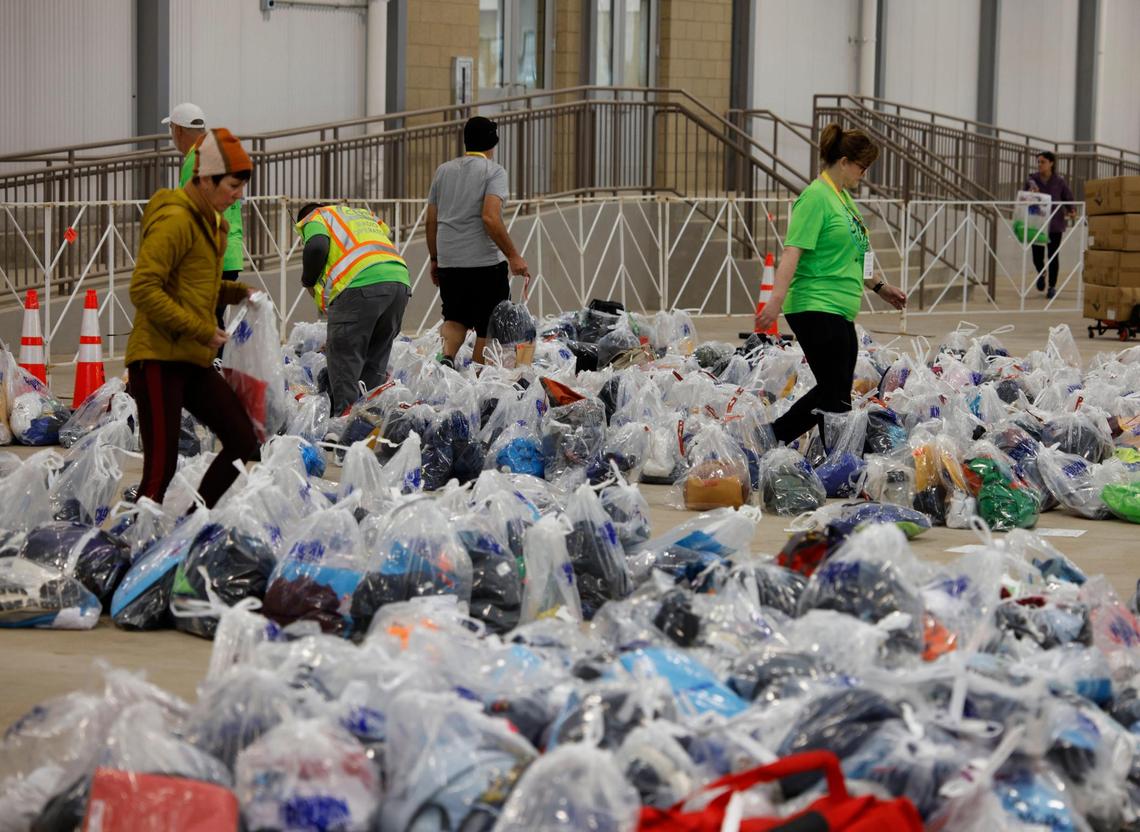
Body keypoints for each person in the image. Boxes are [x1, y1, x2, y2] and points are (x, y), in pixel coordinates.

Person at [126, 128, 260, 508]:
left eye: (241, 187)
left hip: (191, 357)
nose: (237, 196)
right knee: (161, 469)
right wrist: (202, 328)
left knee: (242, 441)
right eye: (233, 186)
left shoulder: (212, 224)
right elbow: (144, 288)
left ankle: (190, 527)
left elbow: (197, 286)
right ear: (206, 179)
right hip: (157, 357)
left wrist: (239, 292)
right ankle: (136, 550)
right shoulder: (175, 219)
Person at [756, 123, 907, 447]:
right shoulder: (815, 198)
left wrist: (882, 288)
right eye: (862, 167)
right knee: (834, 388)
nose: (863, 175)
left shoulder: (843, 200)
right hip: (815, 303)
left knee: (837, 392)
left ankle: (829, 456)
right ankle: (774, 437)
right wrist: (775, 300)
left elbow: (856, 256)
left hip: (838, 306)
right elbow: (792, 251)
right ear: (843, 162)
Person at [426, 116, 530, 367]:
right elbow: (490, 218)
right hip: (484, 265)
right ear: (493, 143)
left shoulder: (444, 171)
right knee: (488, 326)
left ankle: (447, 360)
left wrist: (435, 259)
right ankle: (474, 380)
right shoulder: (494, 172)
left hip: (450, 262)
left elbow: (431, 221)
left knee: (454, 318)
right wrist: (514, 255)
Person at [295, 202, 410, 414]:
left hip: (359, 284)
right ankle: (369, 422)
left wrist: (308, 280)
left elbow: (317, 246)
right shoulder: (361, 215)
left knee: (345, 360)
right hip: (399, 282)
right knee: (375, 360)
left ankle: (343, 424)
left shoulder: (317, 216)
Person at [165, 102, 245, 351]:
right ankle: (218, 375)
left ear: (177, 130)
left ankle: (213, 378)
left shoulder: (195, 160)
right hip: (230, 254)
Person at [1025, 150, 1076, 300]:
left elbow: (1068, 197)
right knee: (1036, 256)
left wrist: (1072, 210)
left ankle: (1052, 286)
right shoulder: (1032, 179)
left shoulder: (1059, 181)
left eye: (1043, 162)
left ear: (1051, 163)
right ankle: (1042, 272)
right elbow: (1026, 190)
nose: (1040, 165)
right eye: (1038, 162)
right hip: (1037, 223)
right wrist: (1031, 191)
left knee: (1053, 256)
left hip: (1055, 224)